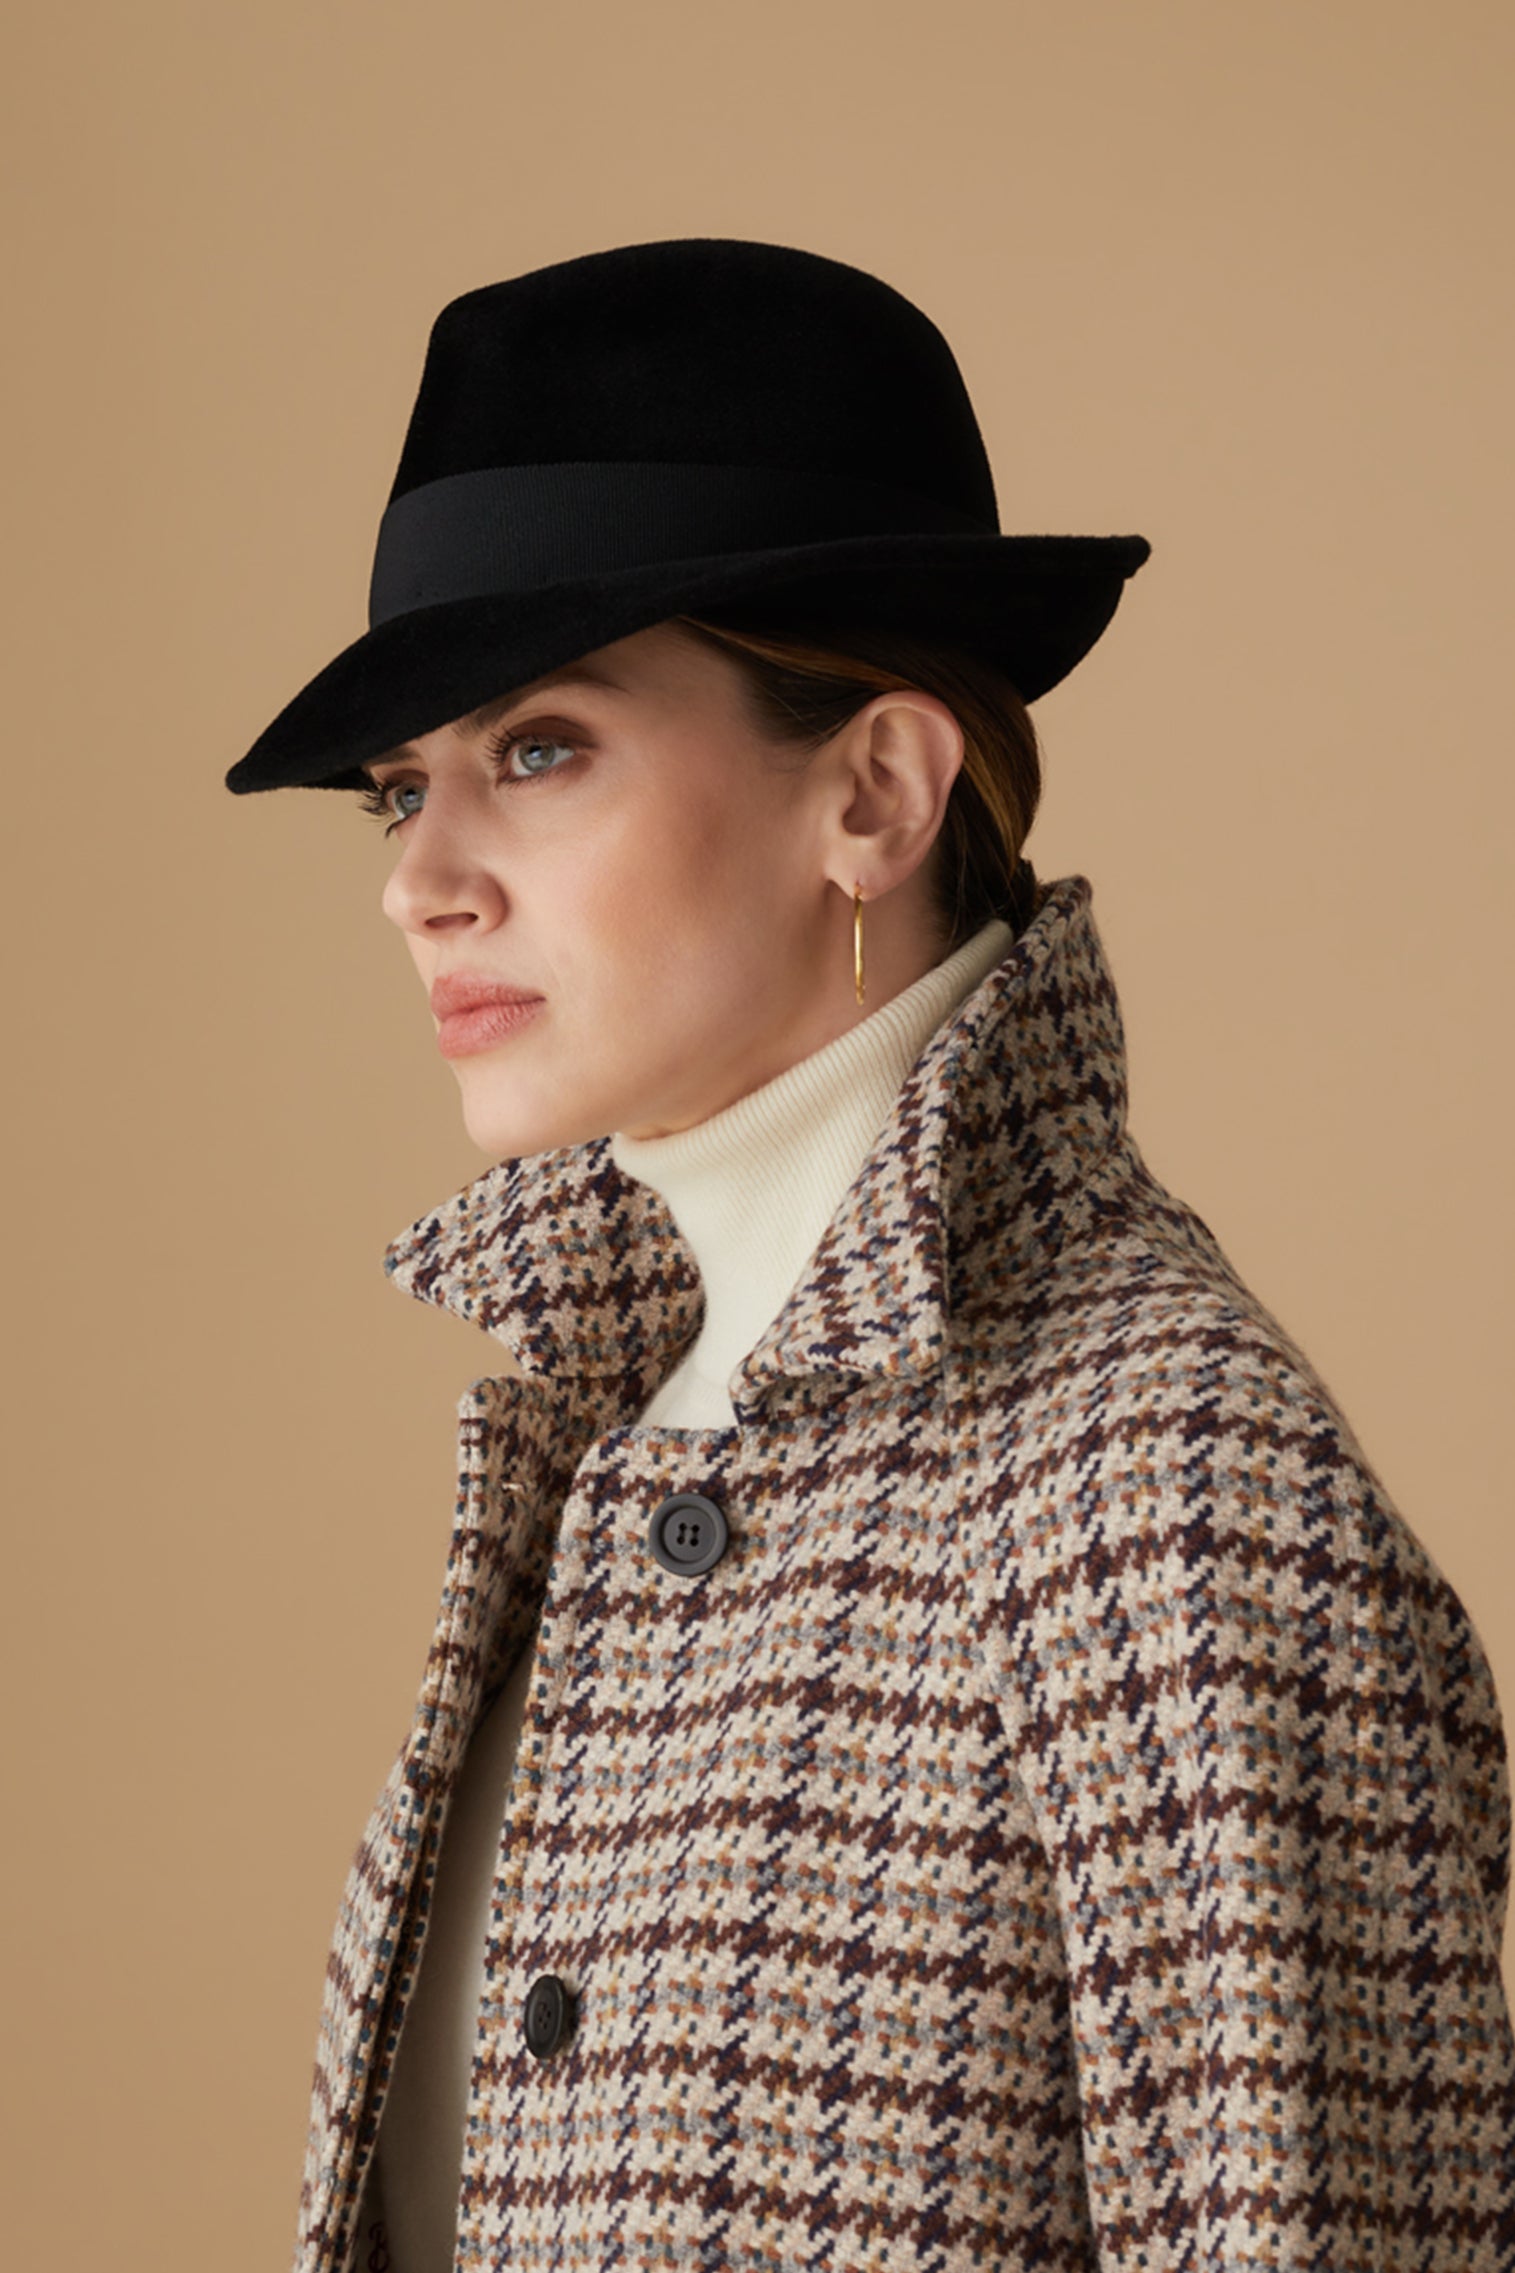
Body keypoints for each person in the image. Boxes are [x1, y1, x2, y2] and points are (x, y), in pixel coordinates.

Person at [228, 238, 1515, 2273]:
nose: (420, 883)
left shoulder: (1169, 1499)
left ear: (874, 789)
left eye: (537, 747)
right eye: (401, 789)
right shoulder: (606, 1439)